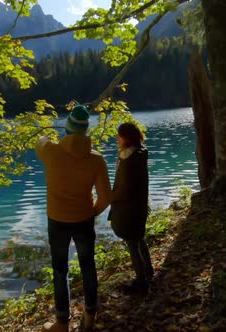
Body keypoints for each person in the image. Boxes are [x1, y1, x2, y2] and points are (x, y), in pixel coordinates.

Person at [35, 105, 112, 332]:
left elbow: (40, 139)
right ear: (86, 132)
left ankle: (61, 323)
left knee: (60, 270)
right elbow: (105, 198)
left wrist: (57, 132)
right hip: (84, 220)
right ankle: (89, 318)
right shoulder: (97, 159)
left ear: (67, 130)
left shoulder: (50, 151)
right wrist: (92, 212)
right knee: (88, 266)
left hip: (57, 221)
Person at [108, 122, 154, 294]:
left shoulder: (127, 158)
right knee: (139, 238)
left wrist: (110, 197)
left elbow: (123, 187)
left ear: (125, 137)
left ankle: (141, 283)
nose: (116, 138)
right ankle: (148, 271)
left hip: (128, 208)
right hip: (140, 204)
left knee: (132, 243)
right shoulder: (140, 152)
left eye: (118, 135)